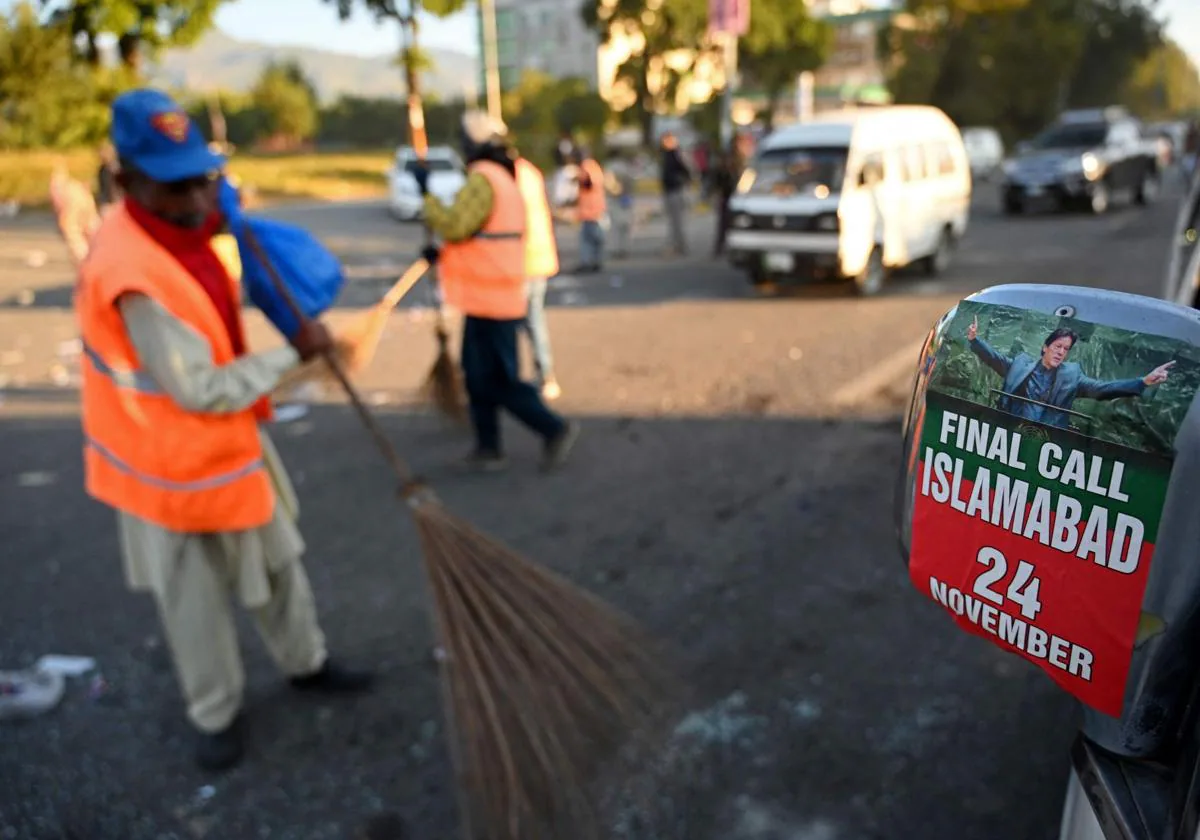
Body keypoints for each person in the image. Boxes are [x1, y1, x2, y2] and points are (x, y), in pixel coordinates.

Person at [74, 88, 373, 773]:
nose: (196, 201)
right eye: (176, 186)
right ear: (126, 182)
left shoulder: (183, 227)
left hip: (230, 446)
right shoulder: (127, 271)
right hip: (164, 464)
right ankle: (216, 714)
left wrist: (227, 218)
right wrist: (295, 354)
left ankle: (307, 664)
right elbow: (197, 387)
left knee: (278, 562)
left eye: (203, 179)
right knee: (196, 602)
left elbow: (211, 237)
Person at [411, 110, 580, 472]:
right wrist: (440, 254)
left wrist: (427, 195)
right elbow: (480, 235)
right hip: (490, 293)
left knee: (496, 379)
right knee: (478, 376)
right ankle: (488, 447)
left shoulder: (484, 179)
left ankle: (553, 428)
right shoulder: (507, 175)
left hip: (491, 296)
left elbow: (457, 224)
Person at [966, 317, 1175, 429]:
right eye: (1057, 346)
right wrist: (974, 340)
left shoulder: (1071, 377)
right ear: (1044, 348)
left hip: (1047, 445)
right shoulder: (1020, 365)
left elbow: (1102, 389)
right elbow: (993, 357)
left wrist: (1143, 382)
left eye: (1066, 349)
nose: (1061, 352)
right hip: (1009, 435)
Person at [513, 150, 563, 401]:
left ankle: (534, 378)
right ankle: (545, 374)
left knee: (517, 323)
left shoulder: (507, 175)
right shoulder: (529, 172)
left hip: (520, 260)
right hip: (538, 256)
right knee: (534, 320)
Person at [711, 133, 751, 258]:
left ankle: (726, 247)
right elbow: (722, 176)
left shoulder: (740, 158)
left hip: (735, 194)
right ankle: (721, 247)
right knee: (726, 222)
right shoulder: (731, 158)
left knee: (730, 223)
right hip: (729, 194)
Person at [573, 148, 607, 273]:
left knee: (588, 239)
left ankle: (587, 262)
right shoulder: (594, 166)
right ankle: (596, 261)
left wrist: (578, 178)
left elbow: (588, 183)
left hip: (589, 210)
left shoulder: (586, 167)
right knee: (596, 238)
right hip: (596, 208)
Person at [659, 132, 692, 256]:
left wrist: (682, 182)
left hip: (675, 190)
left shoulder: (676, 154)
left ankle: (679, 245)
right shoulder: (667, 155)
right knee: (673, 221)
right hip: (669, 190)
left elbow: (686, 170)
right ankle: (677, 245)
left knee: (677, 221)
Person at [605, 149, 637, 259]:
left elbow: (607, 184)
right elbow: (631, 182)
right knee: (626, 225)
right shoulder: (625, 167)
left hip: (613, 198)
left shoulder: (609, 167)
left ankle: (615, 248)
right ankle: (625, 248)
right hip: (626, 197)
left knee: (615, 225)